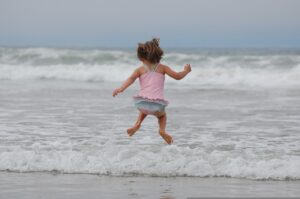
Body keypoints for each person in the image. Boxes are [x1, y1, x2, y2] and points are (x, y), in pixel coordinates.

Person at [112, 38, 191, 144]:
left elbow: (131, 79)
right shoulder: (163, 68)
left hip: (141, 103)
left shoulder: (139, 70)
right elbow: (177, 76)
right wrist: (186, 71)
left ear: (142, 58)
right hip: (157, 104)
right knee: (162, 116)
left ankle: (137, 125)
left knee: (144, 108)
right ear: (158, 56)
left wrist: (120, 88)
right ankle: (162, 130)